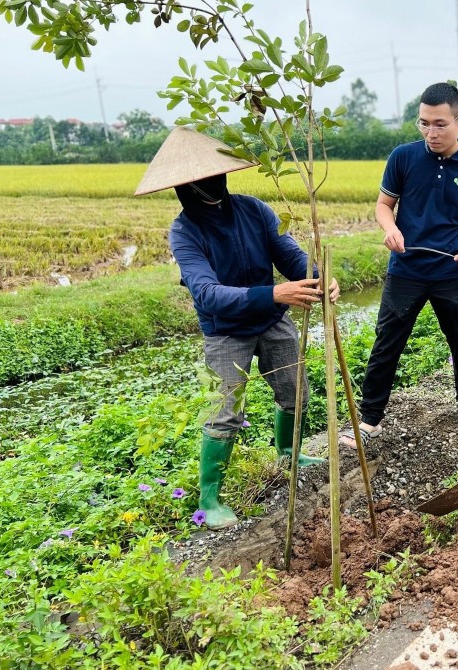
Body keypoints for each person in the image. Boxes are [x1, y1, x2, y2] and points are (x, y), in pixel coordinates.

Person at [135, 126, 341, 530]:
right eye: (197, 181)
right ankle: (209, 498)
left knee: (295, 389)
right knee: (224, 411)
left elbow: (289, 254)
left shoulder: (255, 210)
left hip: (271, 318)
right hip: (226, 330)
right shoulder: (185, 232)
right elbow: (208, 294)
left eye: (214, 175)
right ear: (182, 187)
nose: (210, 185)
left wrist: (318, 276)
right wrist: (274, 293)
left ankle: (288, 452)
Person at [340, 82, 458, 450]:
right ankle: (370, 420)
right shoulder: (403, 157)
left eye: (440, 124)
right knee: (387, 344)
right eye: (424, 123)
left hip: (451, 273)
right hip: (405, 271)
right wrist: (390, 228)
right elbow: (383, 205)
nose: (431, 132)